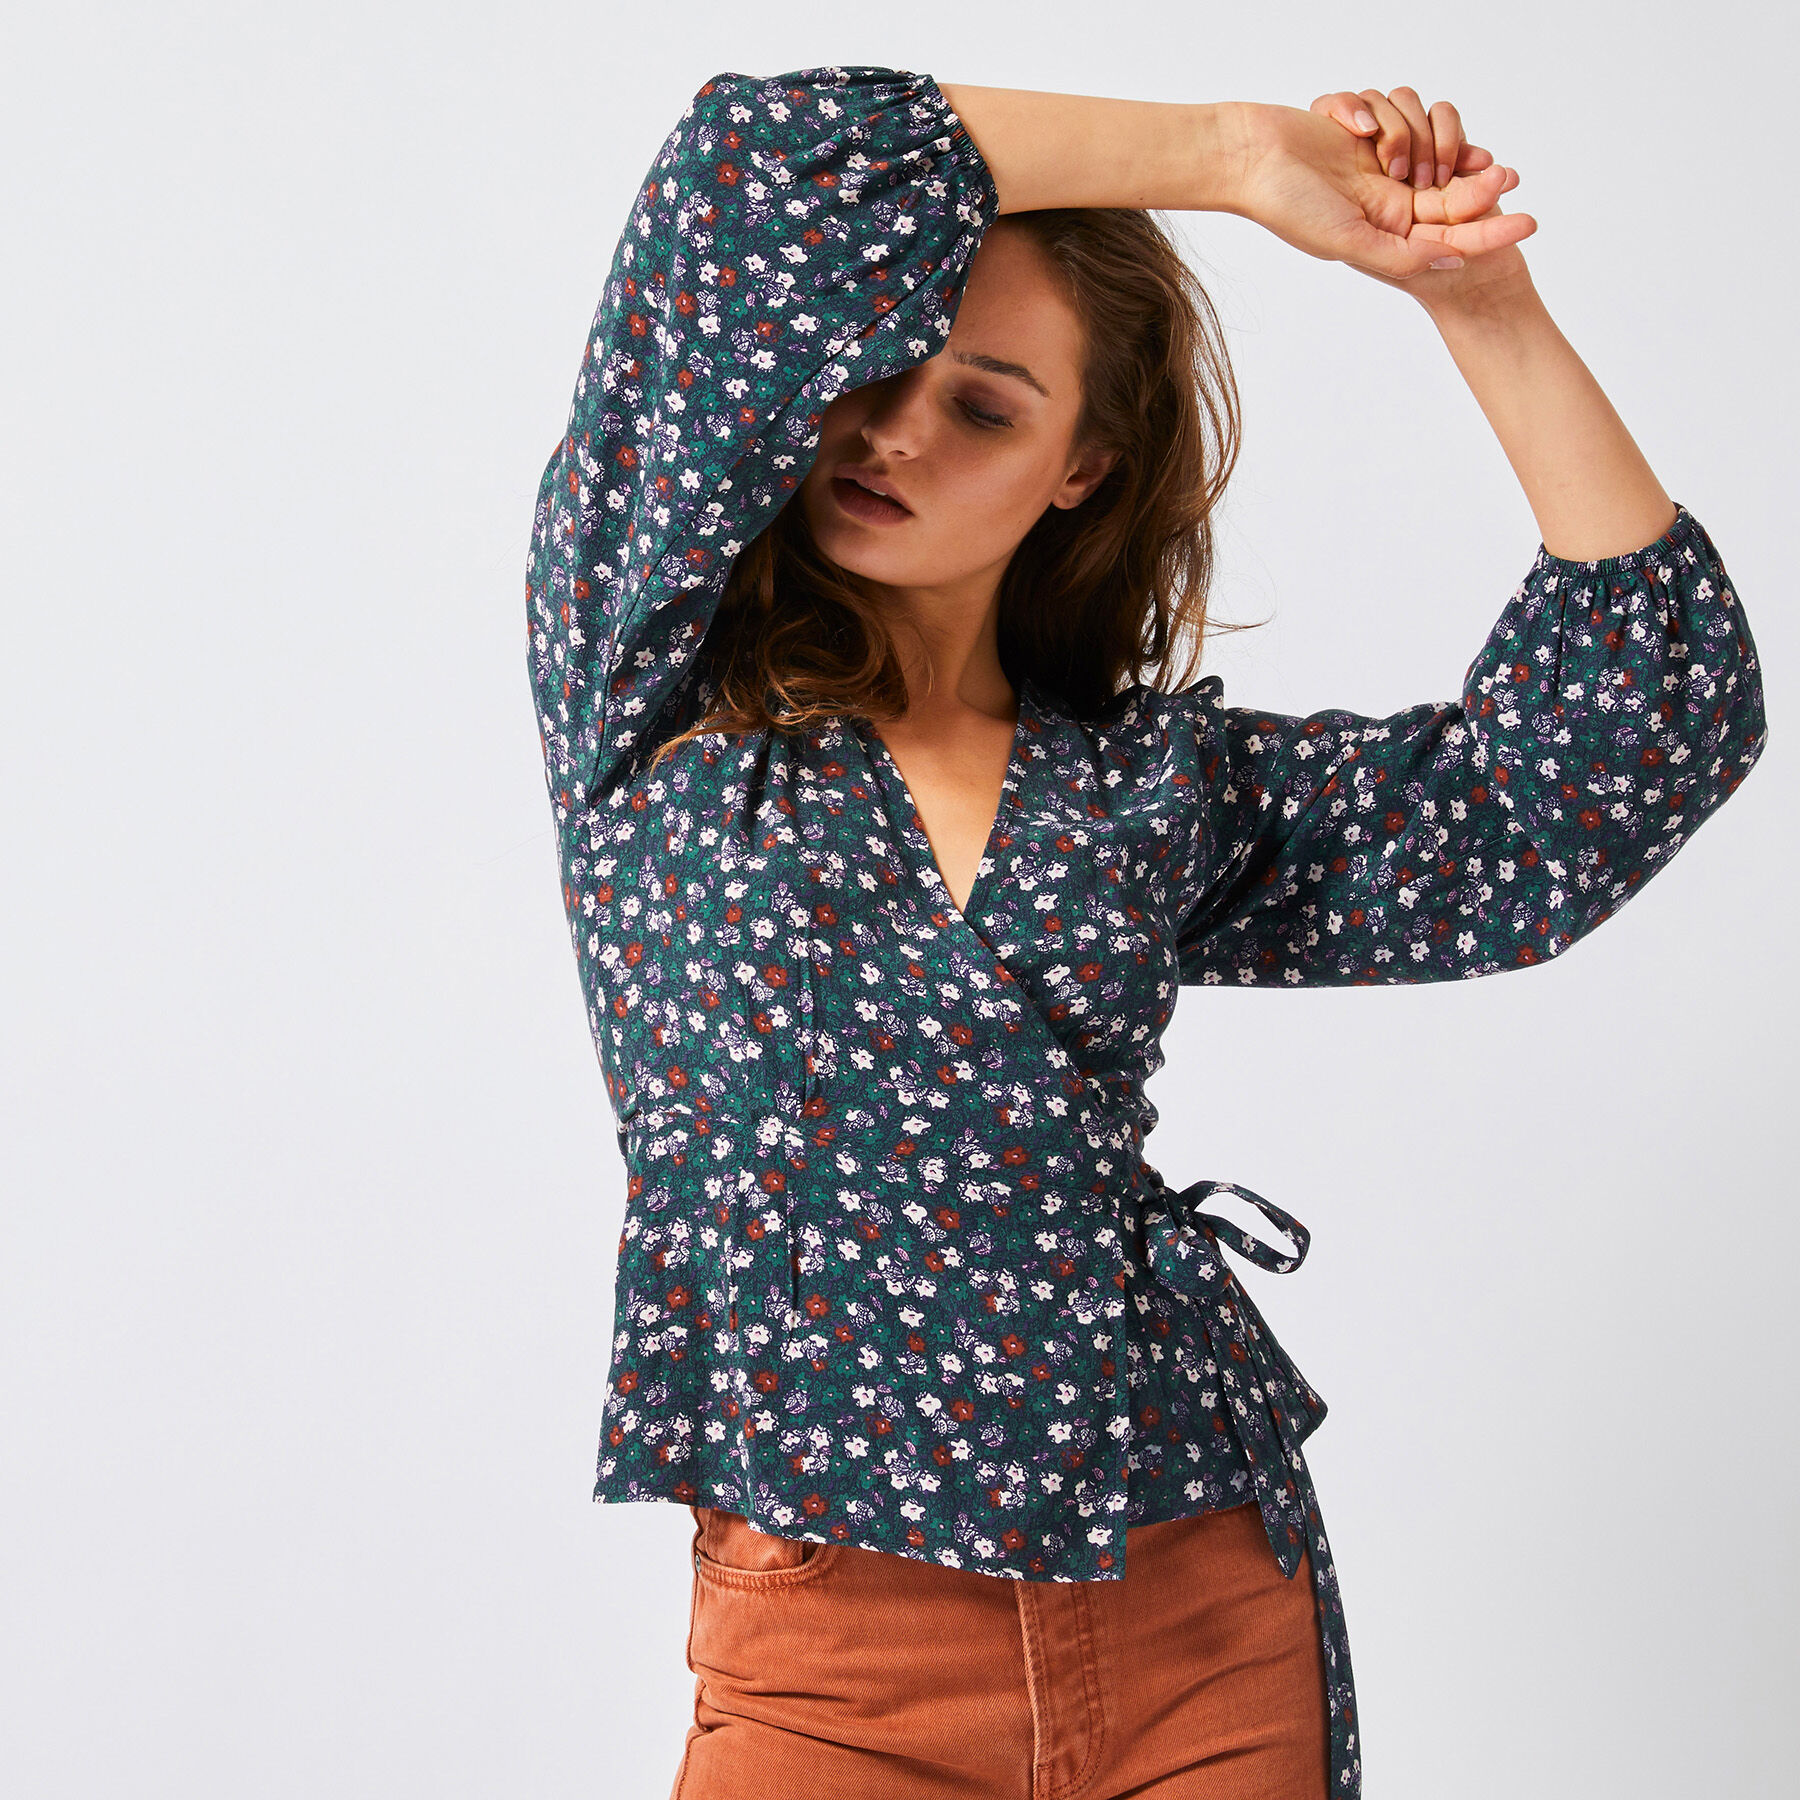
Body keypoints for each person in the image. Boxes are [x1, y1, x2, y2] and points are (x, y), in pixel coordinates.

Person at [523, 66, 1768, 1800]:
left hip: (1197, 1602)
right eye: (877, 370)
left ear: (1079, 470)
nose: (895, 433)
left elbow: (1606, 761)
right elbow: (761, 158)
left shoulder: (1147, 786)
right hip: (830, 1652)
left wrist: (1479, 303)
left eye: (983, 407)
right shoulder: (655, 691)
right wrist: (1239, 158)